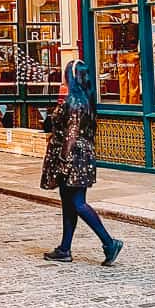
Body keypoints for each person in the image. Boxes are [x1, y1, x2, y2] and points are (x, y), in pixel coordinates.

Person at [40, 59, 124, 266]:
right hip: (80, 156)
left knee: (77, 203)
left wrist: (63, 160)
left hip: (73, 157)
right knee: (70, 204)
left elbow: (72, 133)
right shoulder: (85, 99)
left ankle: (109, 242)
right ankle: (64, 249)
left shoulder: (75, 102)